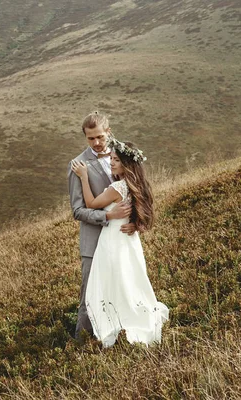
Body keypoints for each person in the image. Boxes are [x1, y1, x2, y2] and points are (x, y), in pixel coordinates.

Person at [70, 138, 169, 347]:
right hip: (129, 241)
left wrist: (84, 177)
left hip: (114, 241)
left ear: (125, 164)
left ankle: (114, 322)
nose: (111, 163)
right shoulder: (135, 185)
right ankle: (126, 316)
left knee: (113, 282)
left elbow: (90, 204)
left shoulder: (117, 187)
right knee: (128, 280)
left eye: (115, 160)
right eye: (111, 159)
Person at [67, 111, 136, 339]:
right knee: (89, 294)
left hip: (120, 239)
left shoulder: (123, 156)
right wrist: (108, 216)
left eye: (100, 137)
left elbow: (137, 193)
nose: (96, 143)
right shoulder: (78, 165)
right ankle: (82, 343)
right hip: (94, 241)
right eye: (90, 138)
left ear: (109, 132)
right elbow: (78, 211)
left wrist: (135, 222)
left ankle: (116, 337)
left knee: (121, 288)